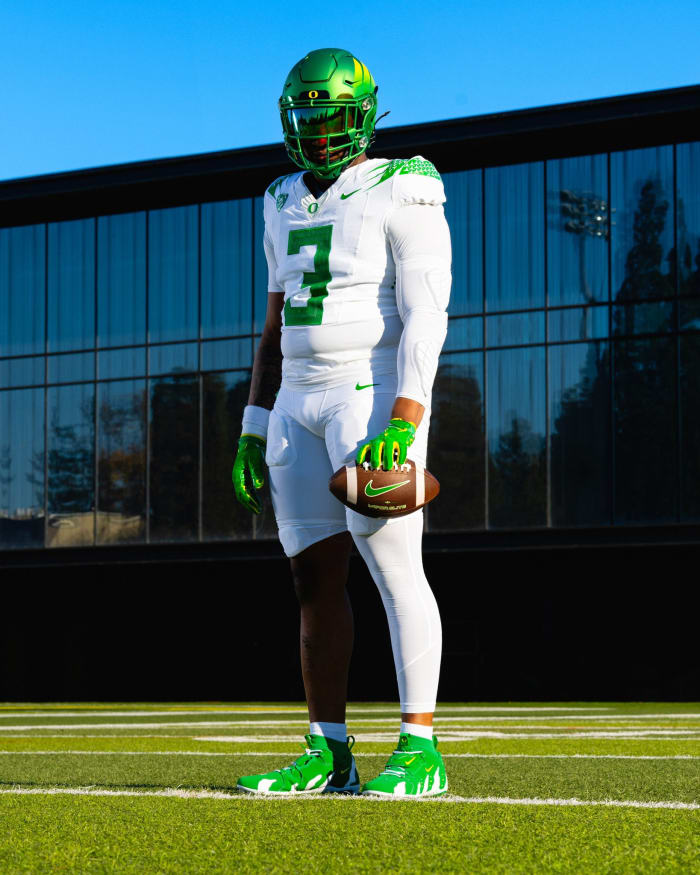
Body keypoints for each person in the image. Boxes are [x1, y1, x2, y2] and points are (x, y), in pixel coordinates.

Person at [232, 48, 451, 797]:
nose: (321, 131)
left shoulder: (405, 183)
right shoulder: (278, 197)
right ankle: (330, 751)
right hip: (297, 395)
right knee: (311, 579)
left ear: (363, 115)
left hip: (372, 390)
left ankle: (421, 745)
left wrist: (406, 416)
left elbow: (427, 314)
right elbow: (271, 323)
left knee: (393, 566)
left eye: (333, 115)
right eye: (309, 117)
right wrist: (253, 423)